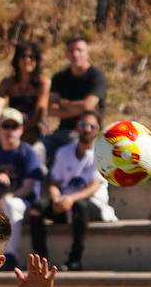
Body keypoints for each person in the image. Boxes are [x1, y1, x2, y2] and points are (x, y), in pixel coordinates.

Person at [30, 110, 113, 271]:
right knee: (36, 208)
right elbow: (54, 182)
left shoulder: (102, 154)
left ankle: (75, 259)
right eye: (83, 125)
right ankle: (41, 260)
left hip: (92, 205)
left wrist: (70, 199)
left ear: (97, 130)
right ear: (77, 127)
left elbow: (93, 187)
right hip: (64, 203)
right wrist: (56, 198)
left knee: (79, 206)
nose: (87, 129)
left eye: (91, 126)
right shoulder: (64, 152)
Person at [0, 107, 46, 267]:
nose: (9, 131)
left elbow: (28, 187)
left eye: (13, 126)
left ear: (21, 129)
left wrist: (5, 199)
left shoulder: (28, 152)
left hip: (22, 204)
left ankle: (9, 256)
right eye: (5, 126)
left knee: (11, 204)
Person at [43, 36, 106, 162]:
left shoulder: (96, 77)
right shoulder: (59, 78)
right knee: (38, 149)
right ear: (66, 54)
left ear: (87, 53)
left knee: (70, 149)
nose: (75, 54)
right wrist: (79, 108)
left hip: (86, 133)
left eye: (79, 50)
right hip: (62, 132)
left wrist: (62, 103)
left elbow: (88, 106)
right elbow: (50, 109)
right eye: (71, 51)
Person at [0, 40, 50, 147]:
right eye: (23, 56)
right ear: (17, 59)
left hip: (32, 128)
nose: (27, 60)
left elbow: (40, 112)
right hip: (10, 124)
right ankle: (4, 144)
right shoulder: (8, 83)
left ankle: (5, 144)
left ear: (37, 60)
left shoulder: (43, 83)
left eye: (31, 57)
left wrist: (20, 130)